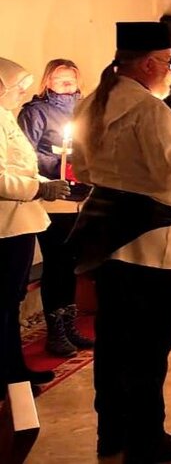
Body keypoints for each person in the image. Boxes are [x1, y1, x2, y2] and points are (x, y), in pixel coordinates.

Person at [70, 22, 171, 462]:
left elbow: (81, 169)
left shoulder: (91, 104)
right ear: (147, 64)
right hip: (148, 242)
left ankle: (113, 434)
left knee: (113, 341)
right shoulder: (150, 111)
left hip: (109, 238)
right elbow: (170, 174)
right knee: (151, 344)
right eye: (167, 63)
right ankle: (147, 437)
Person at [17, 59, 95, 357]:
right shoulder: (35, 112)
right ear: (47, 81)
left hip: (82, 196)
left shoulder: (85, 109)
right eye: (60, 80)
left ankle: (70, 323)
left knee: (72, 262)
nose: (67, 85)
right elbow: (27, 154)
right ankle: (56, 331)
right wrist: (60, 165)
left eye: (71, 80)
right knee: (56, 262)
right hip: (54, 198)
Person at [0, 57, 66, 392]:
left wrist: (46, 181)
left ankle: (16, 370)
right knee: (5, 303)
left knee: (12, 300)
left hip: (21, 220)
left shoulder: (6, 118)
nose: (20, 94)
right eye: (16, 87)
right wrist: (40, 187)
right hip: (6, 225)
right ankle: (7, 376)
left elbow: (22, 166)